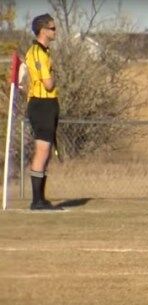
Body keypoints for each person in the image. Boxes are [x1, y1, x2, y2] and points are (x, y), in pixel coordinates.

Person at [24, 13, 61, 210]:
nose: (55, 32)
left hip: (48, 104)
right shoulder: (37, 52)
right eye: (52, 28)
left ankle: (41, 198)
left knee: (45, 152)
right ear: (43, 30)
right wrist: (54, 78)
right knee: (42, 150)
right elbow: (48, 83)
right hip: (41, 103)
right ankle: (36, 200)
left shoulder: (45, 52)